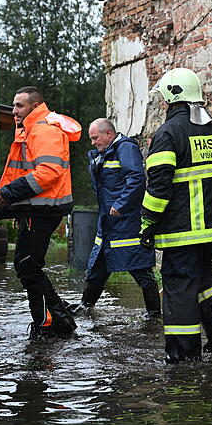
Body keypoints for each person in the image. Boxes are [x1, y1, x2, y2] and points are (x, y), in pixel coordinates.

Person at [139, 68, 212, 363]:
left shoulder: (168, 133)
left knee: (179, 288)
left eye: (163, 99)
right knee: (204, 276)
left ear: (173, 96)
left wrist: (147, 222)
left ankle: (184, 356)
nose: (162, 105)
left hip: (180, 232)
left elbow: (159, 186)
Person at [0, 86, 81, 339]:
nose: (14, 111)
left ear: (34, 105)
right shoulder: (33, 128)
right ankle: (52, 321)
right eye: (13, 105)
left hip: (41, 209)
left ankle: (55, 323)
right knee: (27, 266)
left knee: (28, 266)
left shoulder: (42, 129)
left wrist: (9, 193)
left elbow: (48, 172)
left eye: (20, 106)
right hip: (37, 208)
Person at [68, 118, 161, 319]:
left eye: (95, 138)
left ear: (108, 134)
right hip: (108, 222)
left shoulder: (126, 149)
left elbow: (136, 179)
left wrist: (120, 205)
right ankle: (86, 306)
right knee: (98, 266)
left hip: (126, 222)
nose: (93, 143)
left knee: (139, 268)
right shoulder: (104, 153)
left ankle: (154, 314)